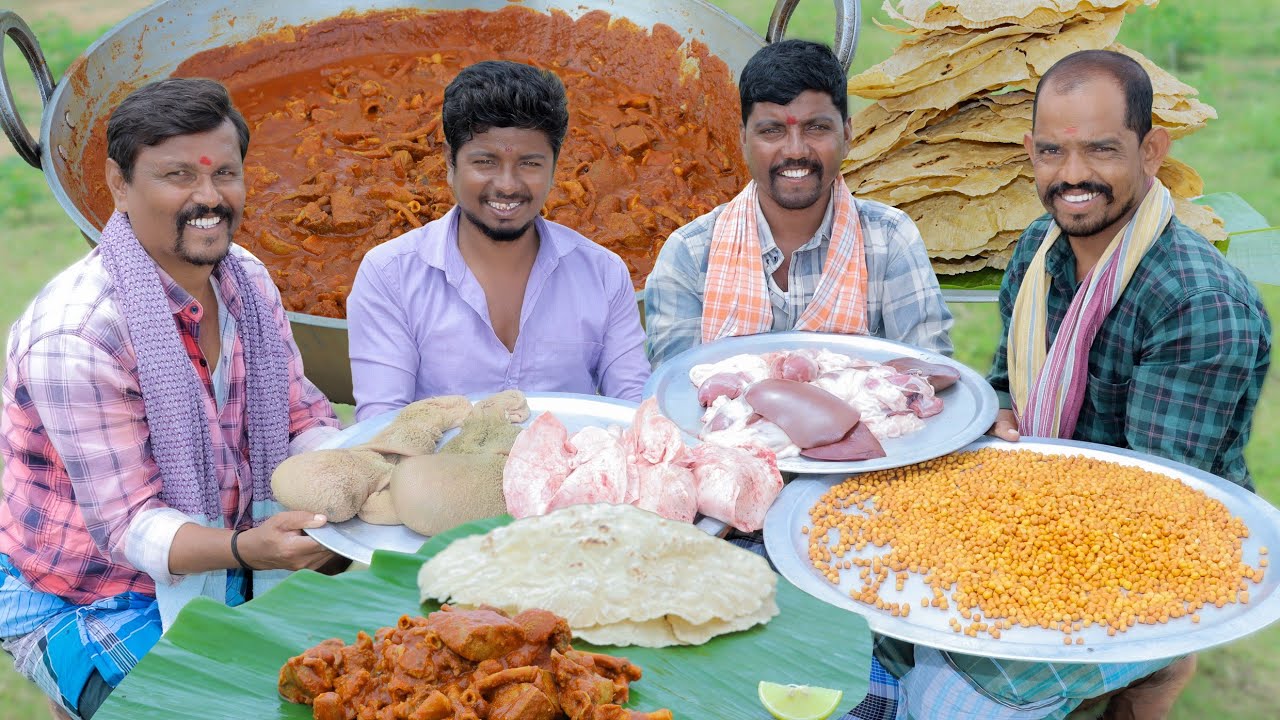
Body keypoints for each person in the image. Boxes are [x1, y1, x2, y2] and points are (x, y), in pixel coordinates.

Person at [878, 50, 1271, 720]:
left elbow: (1149, 513)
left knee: (950, 703)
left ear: (1152, 151)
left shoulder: (1197, 305)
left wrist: (990, 555)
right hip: (1048, 506)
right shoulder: (1040, 251)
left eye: (1101, 149)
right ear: (1029, 152)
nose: (1072, 174)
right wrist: (997, 414)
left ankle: (1159, 659)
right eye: (1053, 151)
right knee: (875, 621)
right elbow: (1006, 384)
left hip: (1163, 558)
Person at [0, 78, 344, 720]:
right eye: (177, 175)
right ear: (119, 184)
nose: (208, 197)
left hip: (231, 556)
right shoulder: (79, 336)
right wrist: (248, 550)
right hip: (87, 593)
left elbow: (300, 417)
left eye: (225, 174)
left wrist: (352, 473)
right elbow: (129, 526)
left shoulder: (247, 281)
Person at [346, 61, 651, 421]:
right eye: (485, 162)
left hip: (570, 457)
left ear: (554, 167)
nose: (507, 185)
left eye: (530, 164)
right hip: (431, 460)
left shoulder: (604, 273)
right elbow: (381, 426)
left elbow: (636, 411)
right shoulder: (390, 274)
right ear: (450, 163)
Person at [643, 39, 953, 365]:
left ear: (847, 135)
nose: (795, 150)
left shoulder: (889, 240)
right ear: (743, 139)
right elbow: (674, 386)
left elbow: (929, 376)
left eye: (816, 128)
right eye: (772, 130)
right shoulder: (690, 254)